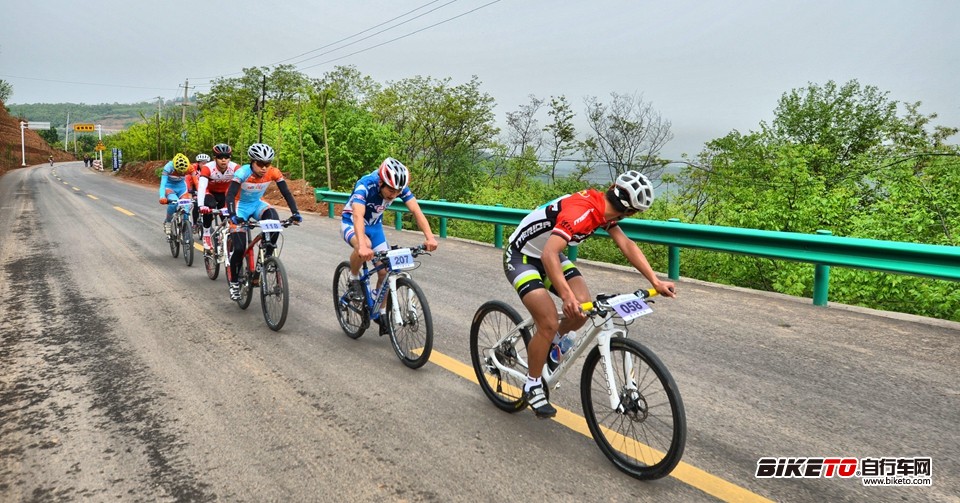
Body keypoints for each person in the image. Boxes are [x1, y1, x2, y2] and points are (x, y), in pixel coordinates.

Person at [504, 170, 677, 418]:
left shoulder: (604, 210)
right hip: (522, 257)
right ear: (631, 212)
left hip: (550, 253)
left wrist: (655, 280)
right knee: (549, 321)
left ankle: (549, 345)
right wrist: (565, 296)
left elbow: (626, 244)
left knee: (584, 307)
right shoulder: (582, 212)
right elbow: (548, 255)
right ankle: (532, 384)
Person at [342, 157, 439, 335]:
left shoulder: (397, 188)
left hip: (375, 227)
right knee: (365, 245)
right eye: (391, 190)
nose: (394, 195)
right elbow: (357, 215)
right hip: (351, 222)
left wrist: (429, 237)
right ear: (381, 182)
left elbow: (416, 210)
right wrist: (362, 246)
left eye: (398, 191)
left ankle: (380, 310)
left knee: (385, 272)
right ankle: (354, 277)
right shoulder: (366, 185)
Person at [224, 143, 302, 300]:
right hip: (240, 206)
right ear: (252, 161)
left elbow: (286, 193)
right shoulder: (243, 172)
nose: (264, 168)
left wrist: (295, 213)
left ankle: (267, 256)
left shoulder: (274, 172)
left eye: (267, 163)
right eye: (260, 164)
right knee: (239, 248)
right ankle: (234, 283)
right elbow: (231, 194)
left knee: (274, 219)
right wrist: (232, 214)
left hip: (257, 204)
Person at [196, 145, 239, 250]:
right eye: (220, 157)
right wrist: (201, 205)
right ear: (215, 158)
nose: (223, 160)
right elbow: (201, 187)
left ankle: (225, 236)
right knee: (209, 207)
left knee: (228, 218)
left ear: (230, 158)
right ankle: (206, 233)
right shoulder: (208, 168)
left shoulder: (235, 168)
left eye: (226, 157)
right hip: (210, 193)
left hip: (225, 194)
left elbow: (242, 186)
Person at [158, 153, 192, 240]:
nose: (181, 173)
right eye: (179, 171)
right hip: (170, 187)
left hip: (182, 188)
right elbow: (163, 184)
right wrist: (162, 196)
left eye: (183, 172)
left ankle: (186, 227)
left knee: (187, 206)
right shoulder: (168, 168)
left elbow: (196, 181)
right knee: (173, 203)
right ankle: (168, 222)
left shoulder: (190, 167)